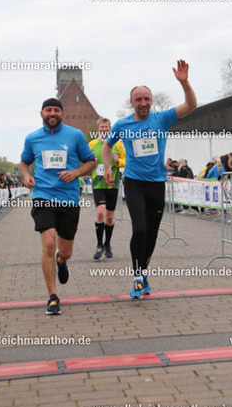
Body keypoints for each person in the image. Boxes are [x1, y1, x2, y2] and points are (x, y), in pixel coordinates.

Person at [102, 60, 197, 299]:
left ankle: (144, 272)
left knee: (152, 233)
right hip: (134, 183)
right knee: (140, 229)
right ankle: (136, 277)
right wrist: (107, 167)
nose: (143, 103)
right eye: (138, 99)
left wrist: (184, 83)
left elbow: (191, 105)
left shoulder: (161, 119)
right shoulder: (122, 124)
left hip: (156, 184)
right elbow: (107, 145)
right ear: (131, 102)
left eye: (146, 99)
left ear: (151, 101)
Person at [20, 97, 96, 316]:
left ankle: (61, 261)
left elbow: (91, 161)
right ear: (42, 113)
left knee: (66, 251)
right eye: (48, 110)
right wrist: (26, 176)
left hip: (68, 198)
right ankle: (53, 296)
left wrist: (75, 173)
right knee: (48, 242)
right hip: (43, 196)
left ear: (62, 113)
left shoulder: (75, 135)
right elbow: (24, 162)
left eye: (56, 110)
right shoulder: (32, 138)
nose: (52, 113)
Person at [89, 117, 125, 260]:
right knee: (100, 212)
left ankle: (107, 244)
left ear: (110, 129)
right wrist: (91, 163)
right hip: (98, 184)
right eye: (102, 127)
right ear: (98, 129)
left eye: (106, 127)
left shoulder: (117, 144)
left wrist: (118, 161)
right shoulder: (92, 144)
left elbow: (126, 161)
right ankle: (99, 245)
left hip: (112, 184)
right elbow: (85, 161)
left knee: (109, 217)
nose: (104, 129)